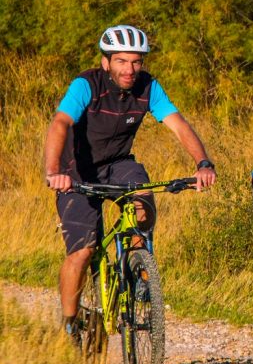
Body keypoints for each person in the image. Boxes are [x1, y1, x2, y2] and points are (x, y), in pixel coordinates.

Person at [44, 24, 217, 344]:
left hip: (119, 164)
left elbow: (177, 125)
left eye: (137, 61)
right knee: (83, 251)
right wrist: (55, 171)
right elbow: (60, 123)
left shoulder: (148, 87)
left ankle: (138, 269)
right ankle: (69, 324)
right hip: (77, 172)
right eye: (122, 61)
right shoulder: (86, 85)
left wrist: (202, 163)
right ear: (105, 61)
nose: (130, 69)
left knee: (143, 201)